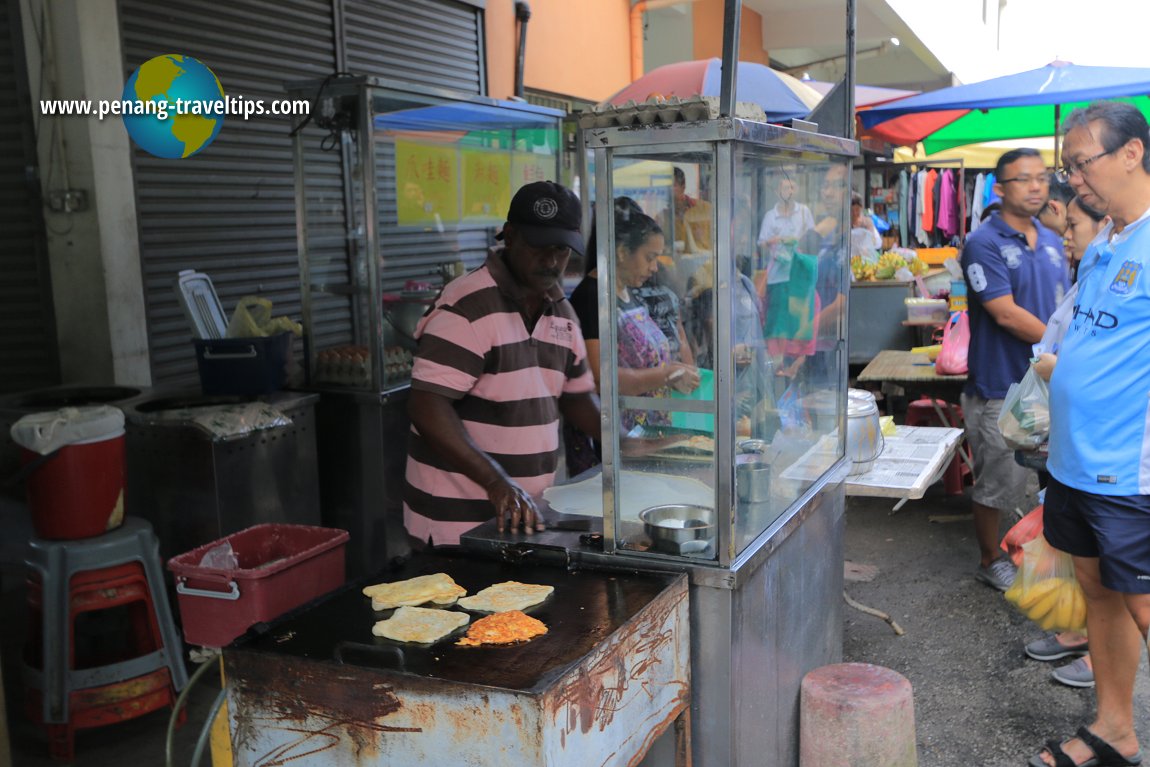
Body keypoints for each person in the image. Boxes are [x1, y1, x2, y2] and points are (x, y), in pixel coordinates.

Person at [1026, 101, 1150, 767]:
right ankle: (1114, 729)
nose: (1074, 179)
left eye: (1083, 163)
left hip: (1131, 472)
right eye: (1068, 165)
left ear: (1132, 152)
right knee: (1098, 594)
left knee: (1142, 604)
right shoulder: (1105, 240)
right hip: (1074, 463)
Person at [403, 181, 601, 546]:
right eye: (538, 247)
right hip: (455, 526)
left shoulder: (562, 312)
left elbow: (575, 397)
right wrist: (497, 482)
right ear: (509, 236)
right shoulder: (467, 306)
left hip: (522, 520)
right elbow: (427, 405)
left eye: (561, 249)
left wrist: (625, 447)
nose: (551, 260)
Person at [960, 148, 1069, 592]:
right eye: (1023, 179)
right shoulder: (983, 243)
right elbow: (1004, 313)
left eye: (1041, 177)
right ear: (1001, 188)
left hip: (1052, 379)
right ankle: (989, 559)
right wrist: (1065, 350)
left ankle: (1042, 553)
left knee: (1052, 476)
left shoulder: (1052, 238)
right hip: (1002, 384)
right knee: (1000, 480)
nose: (1036, 186)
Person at [1024, 194, 1109, 691]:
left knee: (1112, 570)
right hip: (1069, 436)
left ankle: (1104, 656)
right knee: (1077, 551)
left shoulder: (1119, 279)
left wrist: (1059, 370)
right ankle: (1079, 630)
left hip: (1104, 448)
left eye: (1074, 224)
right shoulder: (1087, 275)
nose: (1065, 234)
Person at [613, 211, 700, 431]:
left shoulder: (630, 296)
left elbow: (677, 337)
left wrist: (678, 370)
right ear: (622, 252)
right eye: (649, 257)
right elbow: (604, 378)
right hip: (626, 434)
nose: (654, 268)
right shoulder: (599, 300)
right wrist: (665, 375)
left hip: (652, 428)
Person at [672, 166, 714, 254]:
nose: (668, 190)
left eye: (673, 186)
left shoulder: (706, 209)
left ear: (683, 187)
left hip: (708, 264)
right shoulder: (662, 218)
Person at [849, 192, 883, 260]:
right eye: (852, 210)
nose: (855, 213)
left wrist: (866, 247)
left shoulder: (867, 222)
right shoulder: (848, 223)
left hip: (865, 255)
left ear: (861, 208)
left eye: (857, 210)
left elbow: (872, 239)